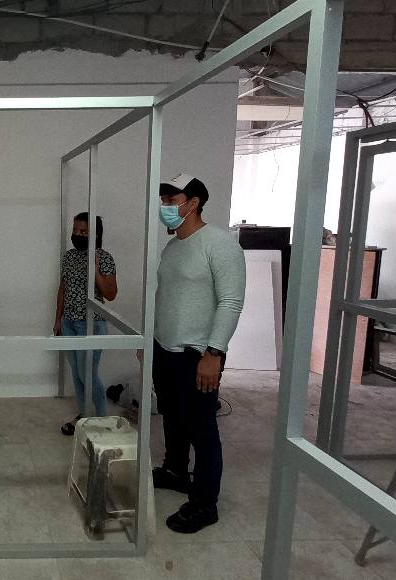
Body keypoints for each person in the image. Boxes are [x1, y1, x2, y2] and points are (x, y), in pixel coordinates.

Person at [150, 174, 245, 534]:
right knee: (172, 417)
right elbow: (165, 297)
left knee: (202, 429)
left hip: (198, 354)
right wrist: (151, 341)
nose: (165, 207)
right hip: (165, 349)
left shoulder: (219, 244)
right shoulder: (173, 247)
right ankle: (176, 471)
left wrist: (214, 353)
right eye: (163, 200)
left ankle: (205, 503)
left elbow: (231, 302)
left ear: (193, 203)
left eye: (172, 200)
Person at [53, 212, 118, 435]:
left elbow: (111, 294)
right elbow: (63, 289)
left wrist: (95, 269)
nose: (77, 235)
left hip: (91, 324)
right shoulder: (69, 256)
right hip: (69, 323)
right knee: (77, 373)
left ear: (95, 234)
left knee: (88, 374)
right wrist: (58, 320)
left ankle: (102, 421)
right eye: (75, 230)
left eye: (83, 232)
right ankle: (84, 415)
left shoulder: (104, 257)